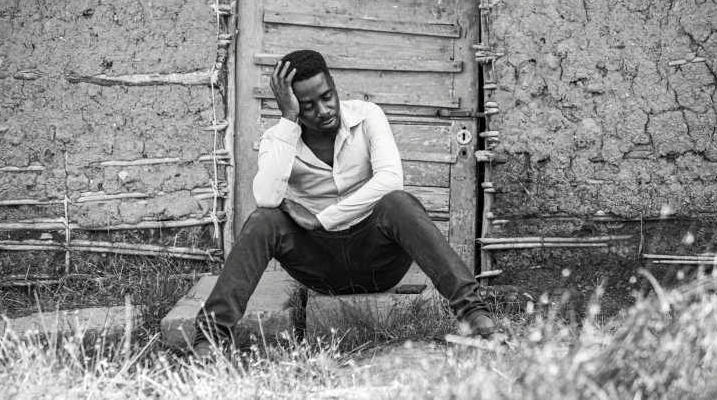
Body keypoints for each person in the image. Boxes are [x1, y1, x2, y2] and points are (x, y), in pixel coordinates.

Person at [194, 50, 497, 355]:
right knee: (264, 220)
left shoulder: (367, 116)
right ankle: (210, 338)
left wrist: (323, 218)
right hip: (320, 266)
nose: (323, 110)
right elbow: (266, 198)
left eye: (327, 96)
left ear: (334, 85)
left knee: (398, 202)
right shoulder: (278, 138)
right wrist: (288, 120)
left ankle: (475, 314)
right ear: (293, 105)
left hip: (378, 261)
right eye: (308, 106)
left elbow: (391, 179)